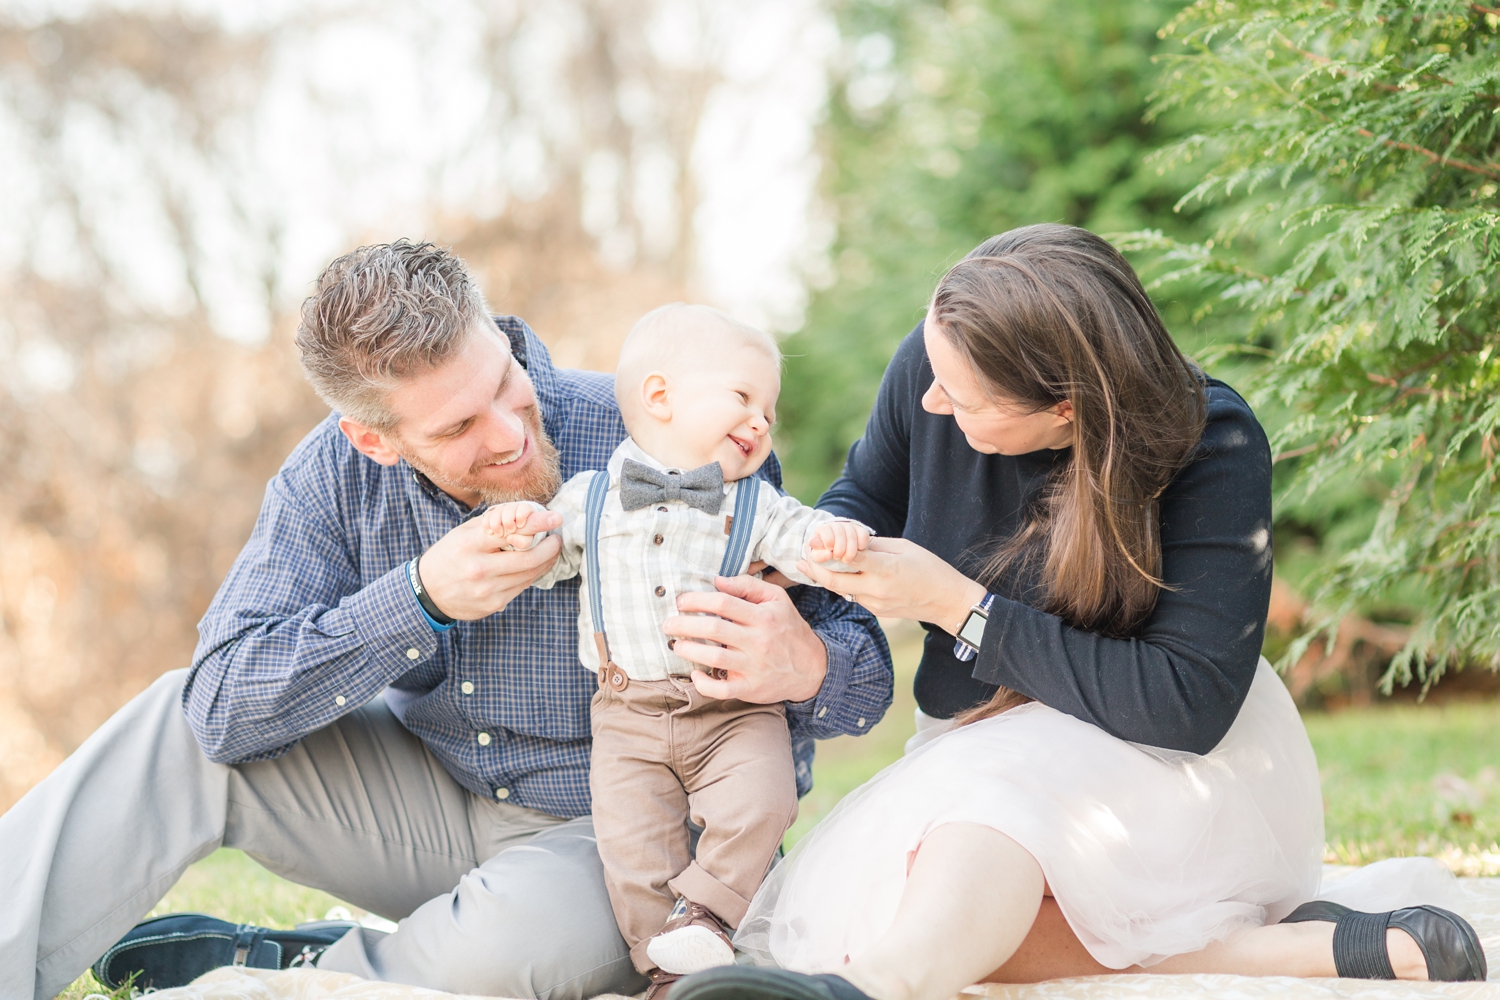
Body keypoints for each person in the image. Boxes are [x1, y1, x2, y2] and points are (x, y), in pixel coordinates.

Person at [0, 241, 894, 1000]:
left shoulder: (667, 442)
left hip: (609, 831)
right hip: (426, 794)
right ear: (374, 438)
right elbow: (224, 703)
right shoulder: (332, 479)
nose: (508, 432)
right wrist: (416, 598)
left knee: (521, 947)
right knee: (174, 721)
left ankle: (286, 968)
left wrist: (807, 666)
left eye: (506, 381)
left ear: (497, 331)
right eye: (461, 425)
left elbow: (863, 675)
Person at [670, 224, 1487, 1000]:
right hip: (979, 736)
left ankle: (868, 990)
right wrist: (799, 563)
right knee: (934, 902)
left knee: (976, 834)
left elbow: (1184, 704)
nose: (929, 403)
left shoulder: (1213, 441)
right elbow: (864, 500)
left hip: (1162, 754)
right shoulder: (934, 360)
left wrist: (958, 607)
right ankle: (1294, 947)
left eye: (961, 396)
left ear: (1065, 410)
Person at [484, 303, 873, 997]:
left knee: (763, 799)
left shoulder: (756, 502)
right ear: (660, 396)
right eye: (743, 399)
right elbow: (543, 560)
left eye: (769, 411)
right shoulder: (590, 497)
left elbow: (803, 541)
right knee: (633, 848)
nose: (761, 422)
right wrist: (517, 533)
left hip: (731, 707)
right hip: (626, 711)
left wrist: (831, 543)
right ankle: (665, 973)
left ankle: (710, 916)